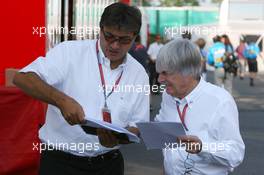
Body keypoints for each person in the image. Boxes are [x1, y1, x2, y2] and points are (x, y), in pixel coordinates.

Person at [13, 3, 149, 175]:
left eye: (124, 40)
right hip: (60, 163)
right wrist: (61, 101)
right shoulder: (70, 52)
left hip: (108, 164)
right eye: (109, 36)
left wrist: (119, 138)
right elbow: (22, 77)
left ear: (134, 37)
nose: (115, 45)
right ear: (100, 29)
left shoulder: (139, 74)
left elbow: (138, 125)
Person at [155, 39, 245, 175]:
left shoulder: (220, 100)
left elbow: (235, 153)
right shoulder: (168, 96)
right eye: (159, 73)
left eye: (165, 73)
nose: (159, 79)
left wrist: (202, 147)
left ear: (187, 72)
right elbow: (168, 146)